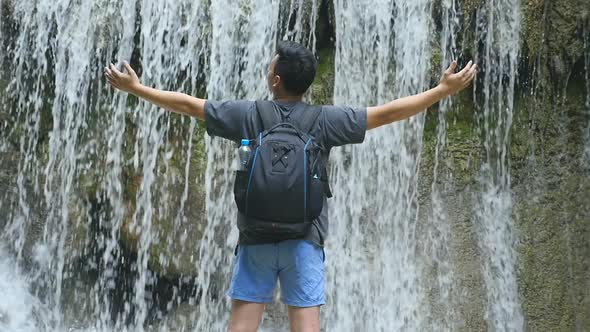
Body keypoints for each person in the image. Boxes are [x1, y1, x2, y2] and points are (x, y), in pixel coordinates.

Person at [105, 41, 477, 332]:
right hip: (304, 242)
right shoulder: (325, 121)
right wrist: (441, 90)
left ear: (275, 80)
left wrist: (137, 88)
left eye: (271, 66)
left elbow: (189, 105)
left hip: (255, 243)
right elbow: (389, 111)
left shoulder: (249, 115)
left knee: (240, 327)